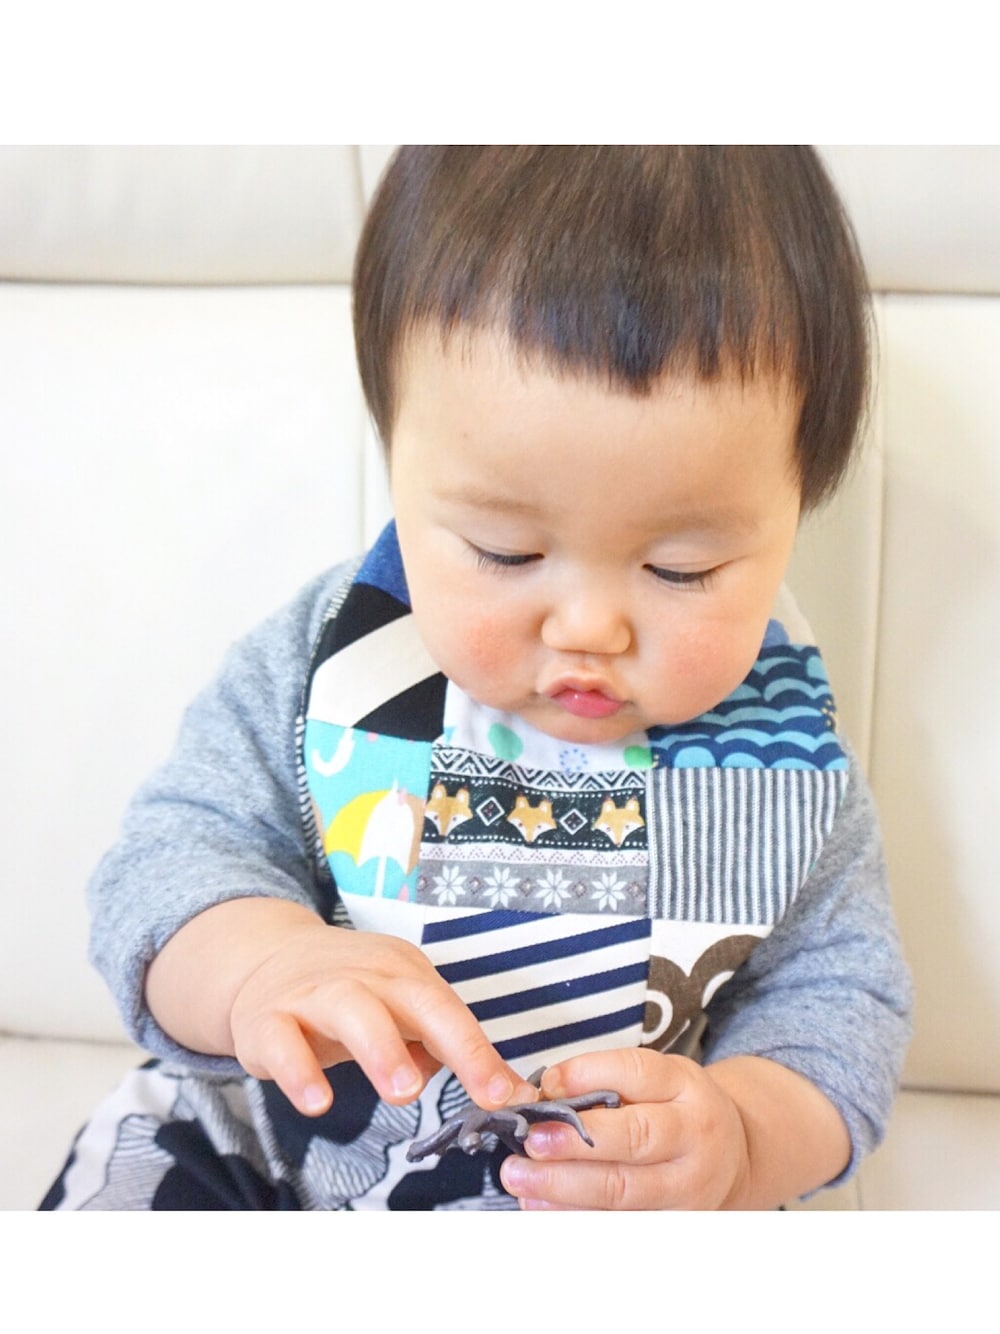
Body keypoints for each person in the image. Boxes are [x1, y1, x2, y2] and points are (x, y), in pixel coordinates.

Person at [42, 146, 912, 1212]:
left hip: (588, 1199)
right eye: (505, 550)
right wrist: (262, 966)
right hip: (273, 1152)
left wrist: (741, 1135)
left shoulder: (782, 759)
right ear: (397, 461)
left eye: (681, 568)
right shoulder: (332, 663)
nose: (588, 626)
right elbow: (165, 863)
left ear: (797, 505)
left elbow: (842, 1007)